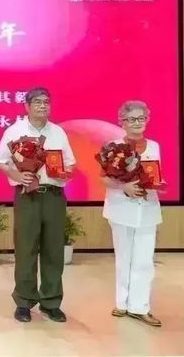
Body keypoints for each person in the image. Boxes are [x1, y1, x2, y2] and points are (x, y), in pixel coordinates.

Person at [0, 87, 75, 323]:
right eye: (37, 102)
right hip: (27, 196)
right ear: (27, 106)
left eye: (46, 102)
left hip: (54, 196)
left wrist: (64, 172)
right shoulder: (15, 131)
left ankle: (51, 302)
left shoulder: (58, 132)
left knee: (53, 250)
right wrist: (17, 175)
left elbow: (70, 163)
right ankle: (24, 302)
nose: (43, 106)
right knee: (26, 249)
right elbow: (0, 161)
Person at [102, 101, 162, 327]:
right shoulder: (113, 147)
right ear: (122, 122)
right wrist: (123, 187)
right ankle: (122, 303)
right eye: (132, 119)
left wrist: (157, 184)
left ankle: (140, 307)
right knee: (123, 258)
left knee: (144, 260)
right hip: (121, 208)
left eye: (141, 118)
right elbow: (104, 177)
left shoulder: (154, 146)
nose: (137, 123)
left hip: (147, 208)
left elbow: (155, 174)